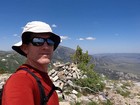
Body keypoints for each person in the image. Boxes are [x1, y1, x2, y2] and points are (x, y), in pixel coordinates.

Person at [2, 21, 61, 105]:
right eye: (38, 41)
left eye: (50, 41)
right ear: (25, 48)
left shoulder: (40, 76)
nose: (46, 46)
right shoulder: (20, 80)